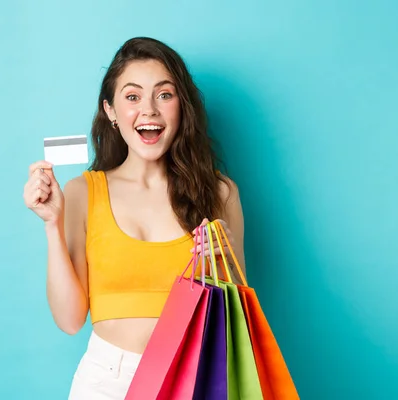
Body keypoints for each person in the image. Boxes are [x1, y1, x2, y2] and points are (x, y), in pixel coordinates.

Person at [23, 37, 247, 399]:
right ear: (110, 111)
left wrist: (228, 262)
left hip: (194, 379)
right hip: (105, 381)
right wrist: (52, 225)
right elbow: (69, 320)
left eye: (164, 95)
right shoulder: (82, 192)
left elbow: (235, 325)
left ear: (182, 106)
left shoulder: (220, 194)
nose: (149, 110)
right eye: (132, 97)